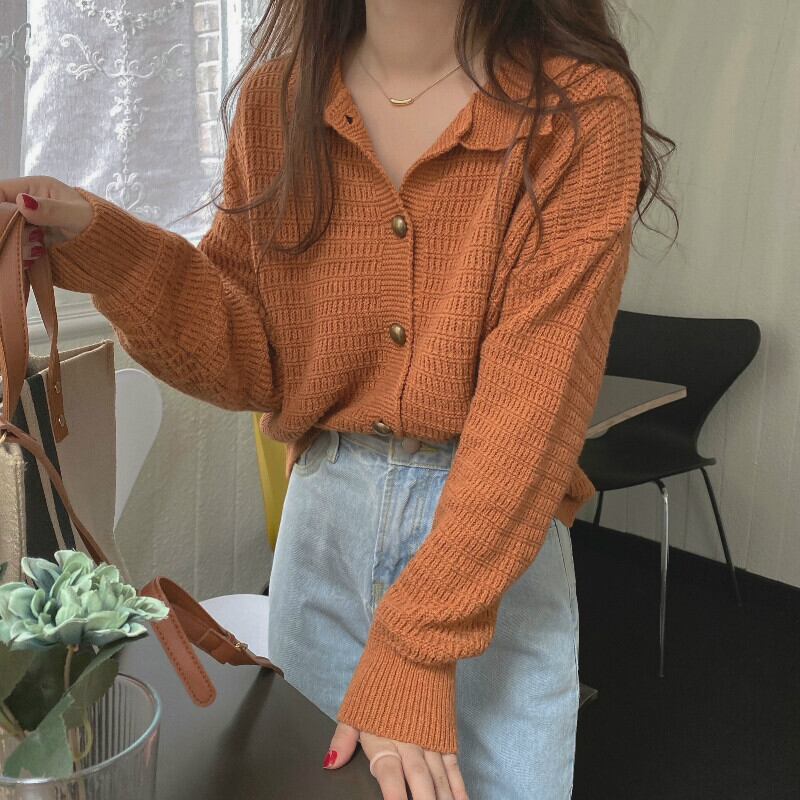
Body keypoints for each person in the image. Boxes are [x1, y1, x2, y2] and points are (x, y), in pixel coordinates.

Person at [0, 1, 675, 797]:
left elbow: (534, 410)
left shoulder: (576, 111)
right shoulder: (278, 102)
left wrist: (418, 643)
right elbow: (248, 358)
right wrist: (103, 245)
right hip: (322, 532)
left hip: (490, 552)